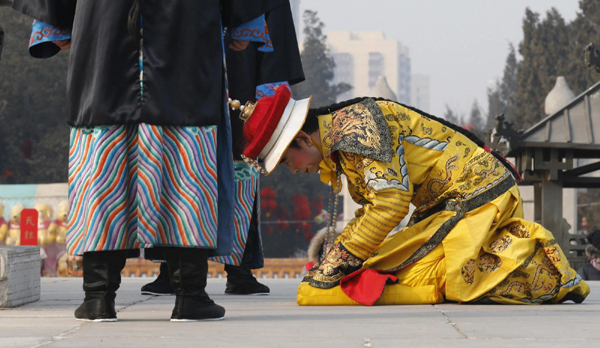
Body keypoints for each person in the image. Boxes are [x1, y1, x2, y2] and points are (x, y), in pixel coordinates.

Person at [14, 0, 290, 322]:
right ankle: (189, 294)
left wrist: (55, 18)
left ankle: (98, 295)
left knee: (102, 149)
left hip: (103, 17)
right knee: (187, 150)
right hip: (186, 18)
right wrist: (242, 19)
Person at [238, 86, 590, 305]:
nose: (294, 169)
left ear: (302, 139)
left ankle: (544, 265)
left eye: (286, 160)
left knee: (438, 276)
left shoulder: (356, 128)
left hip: (477, 193)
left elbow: (390, 204)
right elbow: (376, 207)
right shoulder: (341, 138)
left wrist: (339, 259)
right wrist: (341, 258)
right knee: (382, 269)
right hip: (446, 205)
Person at [141, 0, 305, 297]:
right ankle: (172, 269)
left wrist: (268, 100)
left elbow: (275, 47)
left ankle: (239, 271)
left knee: (240, 181)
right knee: (176, 175)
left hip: (238, 101)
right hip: (187, 93)